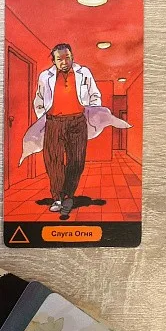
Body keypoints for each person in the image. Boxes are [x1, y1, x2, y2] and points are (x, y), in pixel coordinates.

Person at [20, 43, 130, 218]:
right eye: (59, 59)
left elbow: (95, 94)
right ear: (54, 60)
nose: (64, 62)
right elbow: (38, 100)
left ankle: (68, 195)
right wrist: (44, 117)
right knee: (53, 160)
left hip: (78, 122)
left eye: (67, 58)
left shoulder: (84, 73)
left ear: (72, 57)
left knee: (77, 160)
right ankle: (57, 198)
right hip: (54, 123)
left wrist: (92, 111)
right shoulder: (45, 76)